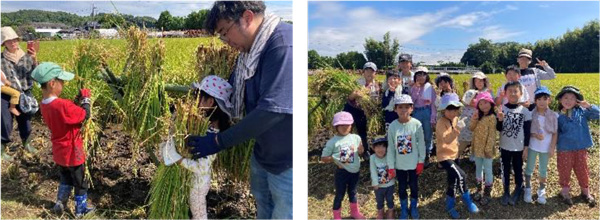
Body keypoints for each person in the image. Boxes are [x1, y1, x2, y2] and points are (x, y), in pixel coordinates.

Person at [185, 2, 293, 219]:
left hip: (287, 162)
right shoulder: (248, 54)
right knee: (264, 209)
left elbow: (271, 111)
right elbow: (232, 90)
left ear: (247, 17)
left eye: (225, 33)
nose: (226, 42)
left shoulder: (282, 46)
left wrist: (217, 142)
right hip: (263, 153)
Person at [162, 76, 233, 219]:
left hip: (198, 185)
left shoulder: (213, 138)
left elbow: (201, 168)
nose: (195, 102)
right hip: (190, 179)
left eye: (199, 98)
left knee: (198, 212)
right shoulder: (204, 126)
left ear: (210, 102)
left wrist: (179, 160)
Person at [31, 62, 94, 217]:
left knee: (65, 177)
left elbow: (66, 114)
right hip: (73, 150)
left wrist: (75, 100)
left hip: (59, 151)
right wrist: (86, 100)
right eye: (62, 82)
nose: (64, 85)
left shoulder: (44, 105)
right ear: (52, 83)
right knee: (80, 181)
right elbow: (84, 115)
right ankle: (81, 211)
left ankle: (60, 203)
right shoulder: (62, 105)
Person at [436, 93, 479, 219]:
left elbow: (454, 139)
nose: (452, 112)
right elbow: (446, 140)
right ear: (444, 110)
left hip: (454, 154)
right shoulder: (440, 123)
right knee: (462, 176)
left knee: (453, 181)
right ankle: (468, 201)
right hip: (444, 156)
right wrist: (456, 131)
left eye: (455, 109)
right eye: (449, 109)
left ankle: (450, 206)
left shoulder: (455, 119)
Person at [555, 85, 598, 207]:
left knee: (582, 170)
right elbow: (554, 133)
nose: (568, 101)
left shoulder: (583, 112)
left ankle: (585, 192)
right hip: (564, 149)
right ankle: (564, 192)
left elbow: (598, 115)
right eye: (565, 98)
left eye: (572, 98)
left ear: (577, 101)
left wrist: (588, 106)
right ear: (560, 100)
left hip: (580, 148)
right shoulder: (557, 116)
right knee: (564, 170)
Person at [1, 26, 38, 160]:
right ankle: (2, 149)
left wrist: (34, 59)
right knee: (4, 120)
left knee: (25, 120)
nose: (13, 43)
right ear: (4, 43)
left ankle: (27, 143)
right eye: (9, 40)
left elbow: (36, 75)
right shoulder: (1, 59)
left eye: (15, 40)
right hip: (6, 95)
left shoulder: (27, 57)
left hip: (24, 93)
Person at [321, 111, 366, 220]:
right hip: (342, 172)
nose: (345, 127)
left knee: (353, 192)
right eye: (341, 125)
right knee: (340, 194)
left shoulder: (356, 138)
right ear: (336, 126)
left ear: (351, 125)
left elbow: (360, 152)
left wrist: (361, 150)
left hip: (355, 171)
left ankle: (355, 213)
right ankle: (337, 216)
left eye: (348, 124)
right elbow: (323, 158)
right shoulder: (333, 142)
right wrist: (334, 158)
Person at [386, 94, 425, 219]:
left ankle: (413, 207)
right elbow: (391, 148)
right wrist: (391, 166)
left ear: (411, 109)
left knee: (414, 187)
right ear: (395, 109)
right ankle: (404, 208)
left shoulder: (416, 124)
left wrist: (420, 161)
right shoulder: (393, 126)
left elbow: (421, 145)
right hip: (400, 165)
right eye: (400, 107)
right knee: (402, 187)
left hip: (413, 165)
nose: (403, 110)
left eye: (406, 107)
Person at [496, 81, 531, 206]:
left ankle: (518, 189)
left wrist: (526, 148)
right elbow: (499, 129)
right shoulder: (502, 109)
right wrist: (499, 120)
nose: (513, 93)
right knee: (505, 169)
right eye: (510, 91)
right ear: (505, 94)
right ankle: (505, 190)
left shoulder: (525, 111)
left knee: (518, 168)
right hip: (504, 146)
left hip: (519, 147)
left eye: (515, 91)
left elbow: (527, 131)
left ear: (521, 93)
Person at [523, 86, 557, 205]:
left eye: (544, 99)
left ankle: (541, 189)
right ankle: (527, 188)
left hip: (546, 148)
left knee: (543, 169)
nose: (542, 102)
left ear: (549, 100)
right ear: (535, 101)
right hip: (533, 146)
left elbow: (554, 133)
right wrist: (535, 135)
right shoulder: (531, 114)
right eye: (539, 99)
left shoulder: (553, 116)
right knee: (529, 167)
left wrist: (552, 147)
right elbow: (527, 131)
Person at [346, 61, 381, 157]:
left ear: (375, 73)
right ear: (363, 72)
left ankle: (368, 150)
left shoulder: (376, 86)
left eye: (372, 71)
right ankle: (350, 153)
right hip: (353, 109)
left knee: (366, 131)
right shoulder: (356, 83)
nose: (369, 73)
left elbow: (376, 101)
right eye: (367, 71)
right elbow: (349, 98)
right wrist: (355, 94)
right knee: (350, 131)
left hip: (366, 111)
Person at [468, 92, 497, 206]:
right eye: (481, 104)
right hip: (477, 148)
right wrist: (474, 119)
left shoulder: (492, 117)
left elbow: (492, 135)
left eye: (486, 103)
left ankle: (487, 192)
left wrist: (488, 149)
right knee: (478, 168)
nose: (484, 106)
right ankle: (479, 188)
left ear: (490, 103)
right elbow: (471, 128)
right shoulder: (478, 116)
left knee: (488, 170)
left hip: (487, 150)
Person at [409, 67, 436, 167]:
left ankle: (427, 154)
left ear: (426, 76)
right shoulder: (413, 88)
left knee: (428, 133)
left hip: (426, 111)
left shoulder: (430, 88)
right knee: (417, 134)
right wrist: (416, 89)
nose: (421, 77)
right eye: (418, 75)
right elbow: (412, 101)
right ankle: (418, 153)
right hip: (416, 112)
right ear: (415, 77)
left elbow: (433, 103)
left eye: (423, 75)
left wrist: (433, 116)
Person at [369, 136, 395, 219]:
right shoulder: (372, 158)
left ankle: (391, 211)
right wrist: (375, 183)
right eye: (377, 147)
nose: (380, 149)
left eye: (383, 146)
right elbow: (373, 171)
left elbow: (393, 167)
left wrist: (394, 173)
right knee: (379, 200)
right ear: (373, 148)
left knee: (390, 199)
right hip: (379, 186)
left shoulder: (389, 156)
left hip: (390, 184)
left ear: (386, 147)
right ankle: (380, 211)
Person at [457, 89, 478, 163]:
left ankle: (474, 156)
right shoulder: (463, 108)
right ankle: (456, 157)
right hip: (464, 132)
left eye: (475, 98)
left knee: (476, 144)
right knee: (461, 145)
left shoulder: (479, 109)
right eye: (471, 98)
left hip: (475, 131)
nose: (473, 100)